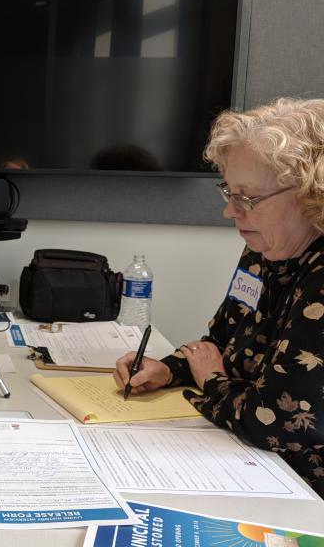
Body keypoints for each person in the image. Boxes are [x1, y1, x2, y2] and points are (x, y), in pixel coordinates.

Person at [114, 97, 324, 497]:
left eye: (247, 198)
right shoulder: (264, 250)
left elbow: (278, 422)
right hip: (249, 464)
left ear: (311, 192)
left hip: (304, 493)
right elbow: (222, 343)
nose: (230, 211)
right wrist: (168, 369)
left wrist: (210, 380)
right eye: (228, 191)